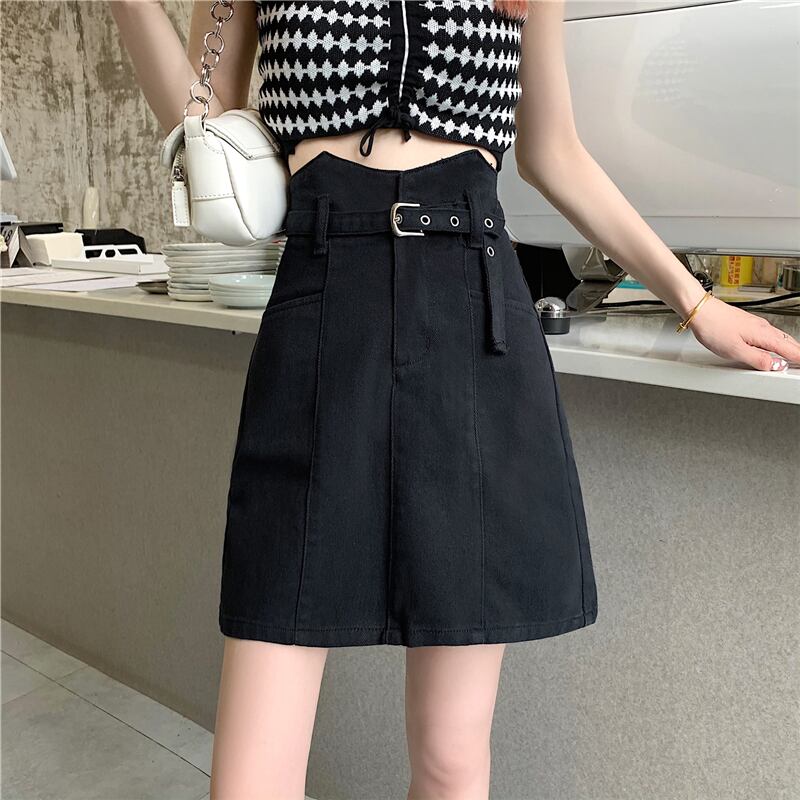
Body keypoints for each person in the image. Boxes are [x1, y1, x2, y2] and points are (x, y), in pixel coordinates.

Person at [112, 1, 799, 797]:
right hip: (322, 309)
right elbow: (204, 124)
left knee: (451, 758)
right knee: (250, 778)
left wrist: (697, 302)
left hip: (471, 315)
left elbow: (554, 155)